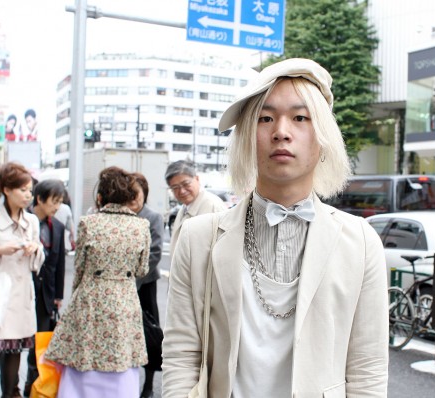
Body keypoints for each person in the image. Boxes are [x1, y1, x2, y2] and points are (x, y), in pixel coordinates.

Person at [162, 58, 389, 397]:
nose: (281, 131)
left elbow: (367, 368)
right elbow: (181, 356)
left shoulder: (360, 241)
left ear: (323, 137)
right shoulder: (199, 239)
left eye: (300, 117)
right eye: (265, 118)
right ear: (246, 138)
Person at [44, 166, 151, 398]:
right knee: (123, 351)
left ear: (100, 197)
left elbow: (80, 268)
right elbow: (142, 268)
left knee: (85, 350)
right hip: (124, 295)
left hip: (92, 294)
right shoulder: (141, 225)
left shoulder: (88, 223)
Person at [0, 162, 45, 398]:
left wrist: (35, 249)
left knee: (15, 349)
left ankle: (9, 394)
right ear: (7, 190)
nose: (28, 195)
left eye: (30, 190)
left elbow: (38, 263)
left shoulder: (32, 222)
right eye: (23, 190)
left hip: (21, 296)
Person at [24, 179, 67, 397]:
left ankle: (32, 386)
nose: (57, 206)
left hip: (45, 295)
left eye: (60, 202)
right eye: (54, 201)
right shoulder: (24, 222)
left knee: (39, 343)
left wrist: (58, 295)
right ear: (39, 199)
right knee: (13, 343)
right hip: (23, 291)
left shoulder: (57, 227)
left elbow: (59, 264)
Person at [127, 172, 164, 398]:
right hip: (123, 285)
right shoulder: (121, 215)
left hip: (146, 283)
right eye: (128, 194)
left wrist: (135, 280)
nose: (133, 199)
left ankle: (149, 384)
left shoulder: (153, 216)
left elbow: (156, 253)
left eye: (136, 194)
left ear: (144, 194)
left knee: (149, 331)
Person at [164, 161, 227, 248]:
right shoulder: (185, 207)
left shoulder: (213, 206)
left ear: (197, 179)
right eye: (175, 187)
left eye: (186, 184)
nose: (182, 191)